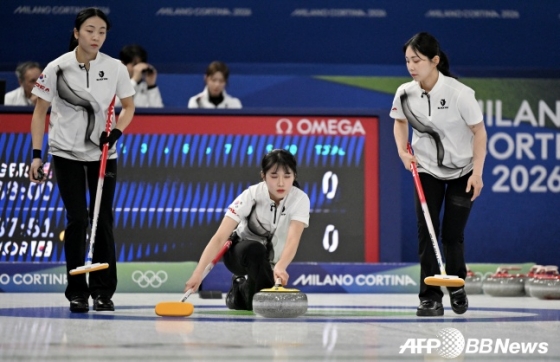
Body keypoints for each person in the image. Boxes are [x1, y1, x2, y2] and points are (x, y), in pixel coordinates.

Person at [29, 7, 135, 313]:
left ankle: (103, 292)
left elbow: (129, 107)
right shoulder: (57, 68)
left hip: (103, 154)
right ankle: (77, 291)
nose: (96, 37)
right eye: (90, 30)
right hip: (65, 153)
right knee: (77, 219)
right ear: (77, 33)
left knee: (102, 220)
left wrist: (115, 132)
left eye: (102, 32)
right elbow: (39, 113)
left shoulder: (115, 67)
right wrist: (37, 155)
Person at [389, 32, 487, 317]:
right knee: (427, 232)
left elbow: (479, 133)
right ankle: (429, 297)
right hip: (426, 170)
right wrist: (402, 152)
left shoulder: (459, 94)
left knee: (452, 235)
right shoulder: (405, 92)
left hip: (462, 171)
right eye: (407, 60)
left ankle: (456, 286)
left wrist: (477, 174)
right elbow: (399, 123)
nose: (411, 66)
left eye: (417, 60)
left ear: (435, 60)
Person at [184, 149, 310, 310]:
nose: (281, 183)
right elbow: (219, 237)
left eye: (287, 176)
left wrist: (281, 266)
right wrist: (198, 273)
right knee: (255, 250)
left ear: (294, 176)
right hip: (239, 253)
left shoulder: (300, 199)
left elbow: (293, 238)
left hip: (268, 262)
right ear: (263, 176)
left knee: (253, 303)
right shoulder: (251, 195)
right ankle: (261, 299)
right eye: (274, 176)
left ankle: (239, 293)